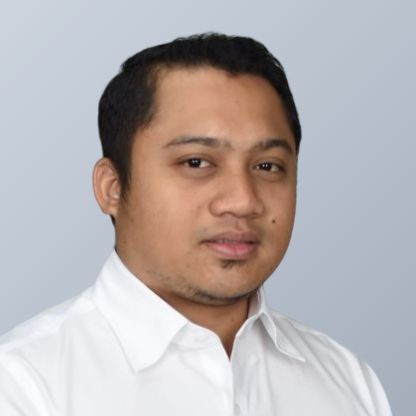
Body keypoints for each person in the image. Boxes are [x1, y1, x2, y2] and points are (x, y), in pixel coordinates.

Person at [0, 33, 392, 415]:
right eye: (196, 162)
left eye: (267, 166)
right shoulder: (23, 386)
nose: (243, 201)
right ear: (112, 187)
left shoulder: (347, 381)